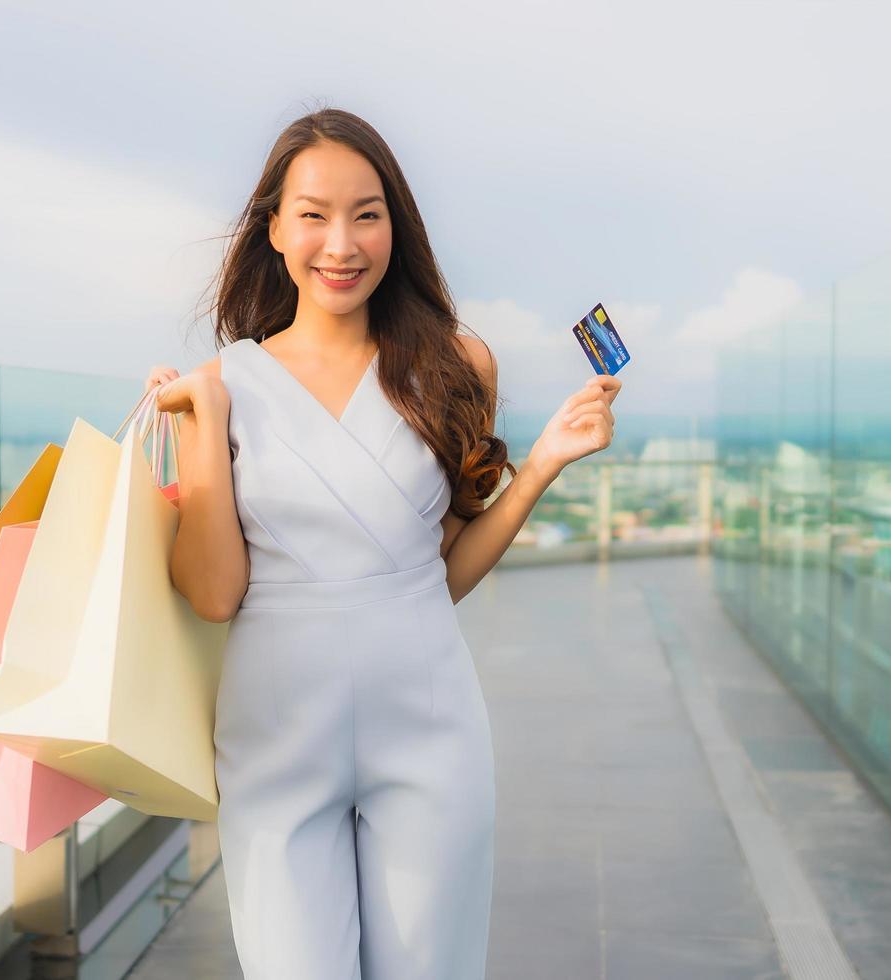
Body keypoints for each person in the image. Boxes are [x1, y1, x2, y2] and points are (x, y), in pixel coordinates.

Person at [145, 107, 620, 980]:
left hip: (429, 722)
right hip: (275, 735)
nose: (342, 242)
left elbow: (442, 575)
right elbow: (213, 596)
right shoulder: (219, 387)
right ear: (275, 228)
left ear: (396, 225)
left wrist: (543, 461)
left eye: (367, 213)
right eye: (315, 214)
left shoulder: (455, 364)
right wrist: (205, 423)